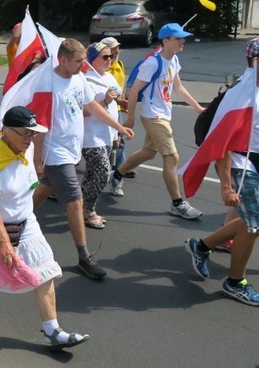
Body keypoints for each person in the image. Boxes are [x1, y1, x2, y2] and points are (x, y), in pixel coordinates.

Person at [0, 106, 89, 350]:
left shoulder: (26, 145)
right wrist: (4, 245)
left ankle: (52, 330)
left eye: (32, 133)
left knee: (45, 270)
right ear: (6, 130)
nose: (29, 139)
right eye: (24, 133)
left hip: (25, 222)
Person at [32, 39, 134, 280]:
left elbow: (92, 106)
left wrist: (119, 126)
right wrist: (38, 159)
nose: (83, 65)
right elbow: (38, 125)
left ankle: (15, 220)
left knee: (46, 188)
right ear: (63, 60)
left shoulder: (79, 78)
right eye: (78, 61)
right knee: (76, 201)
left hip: (71, 149)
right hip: (55, 152)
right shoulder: (47, 84)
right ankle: (84, 257)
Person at [184, 37, 259, 306]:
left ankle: (201, 245)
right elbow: (222, 141)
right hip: (241, 161)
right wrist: (226, 186)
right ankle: (235, 282)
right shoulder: (241, 94)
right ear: (255, 61)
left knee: (255, 219)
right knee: (254, 224)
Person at [112, 23, 206, 219]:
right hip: (153, 116)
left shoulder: (174, 60)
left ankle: (117, 175)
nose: (183, 41)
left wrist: (197, 108)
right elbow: (135, 90)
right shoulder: (153, 63)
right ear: (166, 41)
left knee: (148, 152)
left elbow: (178, 87)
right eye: (178, 38)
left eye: (183, 37)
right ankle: (177, 204)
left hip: (164, 114)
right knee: (172, 157)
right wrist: (130, 118)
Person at [81, 42, 121, 229]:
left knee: (94, 174)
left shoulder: (110, 77)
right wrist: (104, 100)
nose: (110, 59)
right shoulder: (86, 81)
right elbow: (83, 112)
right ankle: (88, 210)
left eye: (111, 56)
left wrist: (115, 133)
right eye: (105, 57)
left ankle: (80, 204)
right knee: (102, 173)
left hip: (106, 134)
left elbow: (114, 108)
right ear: (92, 60)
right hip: (91, 136)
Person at [100, 36, 137, 188]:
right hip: (105, 107)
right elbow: (105, 92)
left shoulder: (119, 64)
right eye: (113, 48)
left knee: (118, 140)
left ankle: (119, 167)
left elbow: (118, 87)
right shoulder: (104, 69)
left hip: (117, 107)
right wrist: (119, 101)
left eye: (117, 47)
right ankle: (116, 168)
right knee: (111, 140)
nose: (117, 50)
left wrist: (124, 99)